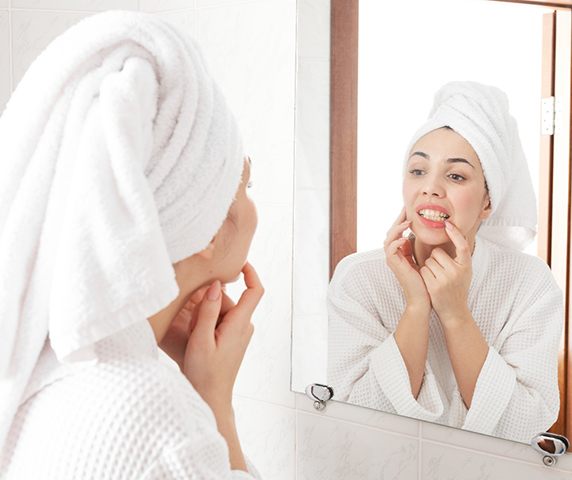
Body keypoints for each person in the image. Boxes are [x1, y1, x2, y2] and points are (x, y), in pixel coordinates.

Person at [0, 11, 264, 479]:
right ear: (206, 228)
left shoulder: (36, 358)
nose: (251, 207)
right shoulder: (158, 421)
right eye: (243, 186)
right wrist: (214, 403)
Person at [327, 81, 564, 444]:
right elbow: (354, 415)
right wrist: (416, 307)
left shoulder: (529, 283)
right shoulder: (359, 277)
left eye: (455, 175)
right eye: (418, 170)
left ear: (488, 201)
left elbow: (525, 422)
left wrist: (455, 314)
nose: (431, 188)